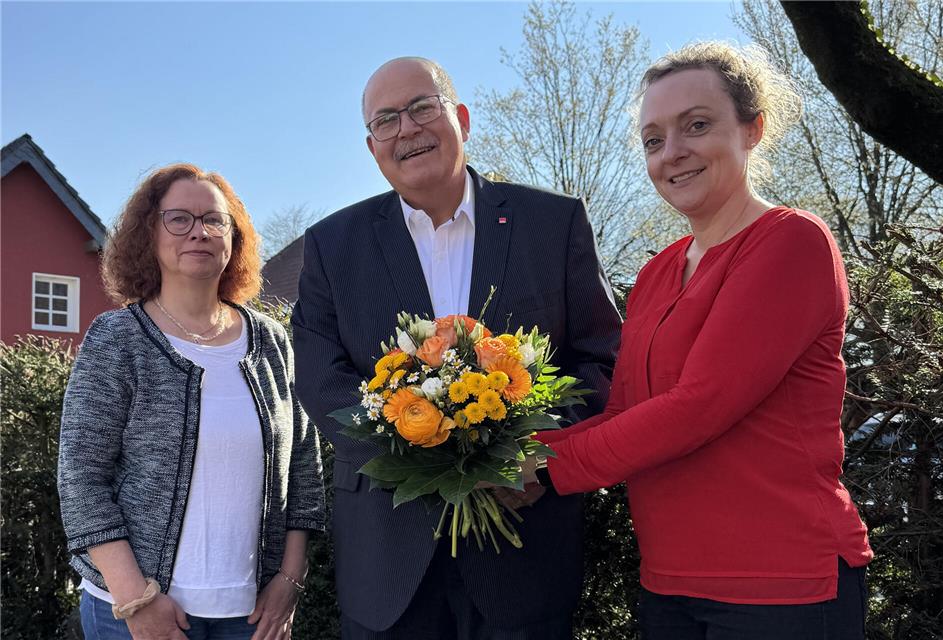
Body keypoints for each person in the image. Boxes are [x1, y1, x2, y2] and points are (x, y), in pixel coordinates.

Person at [523, 41, 873, 639]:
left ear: (752, 129)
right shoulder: (657, 273)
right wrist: (505, 456)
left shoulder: (790, 241)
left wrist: (544, 467)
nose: (672, 153)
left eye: (697, 125)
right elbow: (626, 412)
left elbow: (699, 406)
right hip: (670, 583)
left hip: (782, 584)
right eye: (653, 140)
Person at [292, 57, 621, 639]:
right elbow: (320, 377)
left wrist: (534, 453)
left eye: (422, 107)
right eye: (386, 120)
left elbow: (603, 357)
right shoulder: (331, 245)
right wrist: (412, 444)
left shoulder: (554, 223)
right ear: (372, 147)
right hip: (387, 557)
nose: (407, 129)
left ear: (461, 119)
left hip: (525, 549)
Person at [58, 164, 324, 640]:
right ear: (149, 234)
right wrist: (136, 599)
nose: (199, 232)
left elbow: (303, 467)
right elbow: (81, 477)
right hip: (133, 611)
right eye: (178, 219)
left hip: (250, 615)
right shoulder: (118, 339)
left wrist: (290, 581)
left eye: (214, 220)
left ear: (233, 238)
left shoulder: (272, 342)